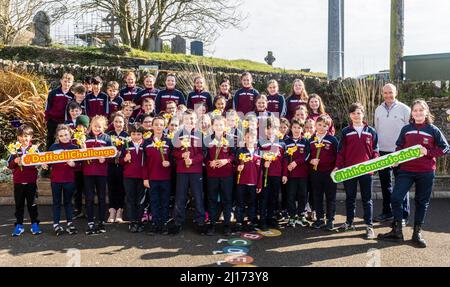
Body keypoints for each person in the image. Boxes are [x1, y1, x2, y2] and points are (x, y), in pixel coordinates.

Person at [378, 99, 449, 248]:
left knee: (421, 202)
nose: (417, 113)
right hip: (406, 171)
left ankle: (417, 233)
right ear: (412, 113)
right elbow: (399, 146)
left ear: (426, 112)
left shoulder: (433, 130)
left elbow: (445, 149)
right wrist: (396, 159)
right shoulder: (406, 129)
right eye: (415, 110)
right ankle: (397, 231)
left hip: (426, 172)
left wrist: (428, 152)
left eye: (420, 110)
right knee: (396, 198)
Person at [334, 103, 379, 239]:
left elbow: (375, 150)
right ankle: (349, 223)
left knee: (367, 199)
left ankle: (369, 226)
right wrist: (338, 166)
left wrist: (375, 163)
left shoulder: (371, 131)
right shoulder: (346, 131)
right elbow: (341, 152)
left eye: (358, 113)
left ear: (363, 114)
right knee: (350, 198)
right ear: (350, 115)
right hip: (350, 171)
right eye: (353, 113)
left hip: (366, 170)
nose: (356, 115)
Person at [374, 84, 411, 225]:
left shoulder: (405, 109)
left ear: (396, 92)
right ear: (382, 93)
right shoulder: (378, 109)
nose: (388, 95)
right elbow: (377, 131)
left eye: (391, 92)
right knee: (386, 185)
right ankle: (387, 212)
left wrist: (404, 151)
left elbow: (409, 131)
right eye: (385, 93)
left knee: (402, 185)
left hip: (400, 153)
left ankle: (402, 216)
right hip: (383, 152)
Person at [170, 110, 206, 235]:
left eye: (192, 119)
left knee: (198, 196)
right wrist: (181, 155)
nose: (189, 121)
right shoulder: (178, 134)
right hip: (182, 171)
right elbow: (173, 152)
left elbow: (203, 153)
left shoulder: (200, 134)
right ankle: (178, 221)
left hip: (196, 170)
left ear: (196, 120)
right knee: (180, 196)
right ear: (182, 120)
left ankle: (200, 221)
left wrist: (193, 160)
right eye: (186, 119)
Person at [44, 125, 79, 236]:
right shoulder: (53, 147)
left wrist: (74, 164)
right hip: (56, 180)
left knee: (68, 203)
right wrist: (45, 165)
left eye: (66, 135)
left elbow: (80, 165)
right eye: (61, 135)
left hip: (69, 180)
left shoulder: (75, 148)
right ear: (57, 136)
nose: (64, 137)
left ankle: (69, 223)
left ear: (70, 135)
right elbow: (47, 162)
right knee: (56, 203)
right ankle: (56, 224)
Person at [9, 125, 42, 236]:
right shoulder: (14, 149)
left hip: (31, 181)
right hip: (18, 182)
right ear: (18, 137)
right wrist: (15, 161)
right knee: (19, 205)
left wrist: (40, 163)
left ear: (31, 137)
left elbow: (39, 162)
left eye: (27, 136)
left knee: (32, 204)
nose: (24, 139)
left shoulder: (34, 149)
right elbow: (10, 165)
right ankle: (19, 225)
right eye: (22, 136)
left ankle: (34, 224)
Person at [204, 116, 235, 236]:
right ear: (212, 126)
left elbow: (234, 155)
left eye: (221, 125)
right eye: (216, 125)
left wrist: (226, 161)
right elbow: (204, 156)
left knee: (227, 200)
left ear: (225, 126)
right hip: (212, 175)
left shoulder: (230, 139)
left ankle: (227, 225)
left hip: (226, 175)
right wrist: (209, 162)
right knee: (211, 199)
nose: (218, 127)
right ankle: (212, 224)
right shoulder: (207, 139)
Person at [143, 116, 173, 235]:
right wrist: (145, 178)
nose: (158, 127)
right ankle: (155, 224)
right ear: (152, 126)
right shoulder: (147, 142)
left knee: (165, 201)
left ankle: (164, 223)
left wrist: (169, 163)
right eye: (156, 124)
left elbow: (173, 160)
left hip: (166, 178)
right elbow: (144, 162)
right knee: (154, 201)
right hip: (152, 178)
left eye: (161, 124)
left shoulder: (169, 142)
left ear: (164, 126)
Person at [83, 115, 112, 235]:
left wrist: (104, 159)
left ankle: (101, 220)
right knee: (89, 198)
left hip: (101, 172)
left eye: (99, 126)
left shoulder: (107, 138)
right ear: (91, 125)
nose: (97, 128)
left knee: (101, 197)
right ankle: (90, 221)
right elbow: (78, 155)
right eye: (95, 126)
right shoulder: (84, 138)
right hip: (88, 172)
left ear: (104, 127)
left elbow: (112, 154)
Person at [309, 115, 338, 231]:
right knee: (317, 195)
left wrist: (336, 167)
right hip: (315, 173)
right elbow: (306, 156)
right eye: (319, 124)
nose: (321, 127)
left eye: (325, 125)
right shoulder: (311, 140)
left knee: (330, 197)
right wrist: (311, 160)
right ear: (315, 125)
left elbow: (338, 156)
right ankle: (319, 219)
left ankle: (330, 220)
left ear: (328, 127)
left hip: (329, 173)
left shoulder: (332, 140)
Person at [259, 119, 286, 230]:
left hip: (276, 174)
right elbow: (256, 158)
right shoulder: (260, 142)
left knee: (273, 197)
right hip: (265, 175)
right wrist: (263, 161)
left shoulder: (281, 143)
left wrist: (284, 174)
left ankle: (271, 218)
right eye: (268, 128)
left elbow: (284, 161)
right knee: (264, 197)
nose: (270, 131)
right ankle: (262, 220)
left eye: (273, 128)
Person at [283, 119, 310, 228]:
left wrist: (296, 162)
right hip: (291, 175)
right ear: (291, 128)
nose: (297, 130)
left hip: (303, 174)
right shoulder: (286, 142)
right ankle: (292, 216)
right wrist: (287, 168)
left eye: (299, 128)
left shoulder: (305, 141)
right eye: (294, 127)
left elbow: (307, 155)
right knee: (290, 196)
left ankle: (301, 215)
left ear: (302, 129)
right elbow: (284, 158)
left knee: (303, 195)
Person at [235, 129, 262, 232]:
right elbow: (234, 164)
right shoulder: (240, 151)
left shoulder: (259, 152)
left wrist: (259, 184)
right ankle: (239, 222)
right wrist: (238, 167)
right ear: (244, 138)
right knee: (240, 203)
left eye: (252, 137)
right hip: (241, 182)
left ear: (255, 139)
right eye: (247, 137)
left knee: (252, 204)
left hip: (253, 183)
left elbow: (260, 171)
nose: (250, 139)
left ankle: (251, 221)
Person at [120, 125, 146, 233]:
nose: (136, 136)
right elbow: (120, 161)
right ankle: (132, 221)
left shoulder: (145, 145)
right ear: (130, 135)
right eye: (133, 134)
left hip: (142, 177)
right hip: (129, 177)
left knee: (140, 200)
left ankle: (139, 221)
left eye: (138, 134)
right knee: (130, 199)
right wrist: (125, 159)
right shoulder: (126, 145)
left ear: (142, 135)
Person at [107, 112, 128, 223]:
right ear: (112, 123)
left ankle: (120, 210)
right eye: (116, 121)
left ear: (124, 123)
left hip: (122, 166)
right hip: (110, 165)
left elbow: (128, 152)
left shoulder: (127, 136)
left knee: (121, 188)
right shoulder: (108, 134)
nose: (118, 124)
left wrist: (121, 156)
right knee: (111, 188)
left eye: (120, 122)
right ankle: (112, 210)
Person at [45, 73, 74, 150]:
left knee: (65, 140)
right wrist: (48, 119)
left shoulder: (72, 96)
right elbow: (48, 106)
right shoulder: (53, 93)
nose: (66, 84)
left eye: (69, 82)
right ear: (61, 81)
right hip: (53, 121)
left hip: (64, 122)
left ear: (72, 83)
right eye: (65, 81)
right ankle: (48, 157)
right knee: (50, 140)